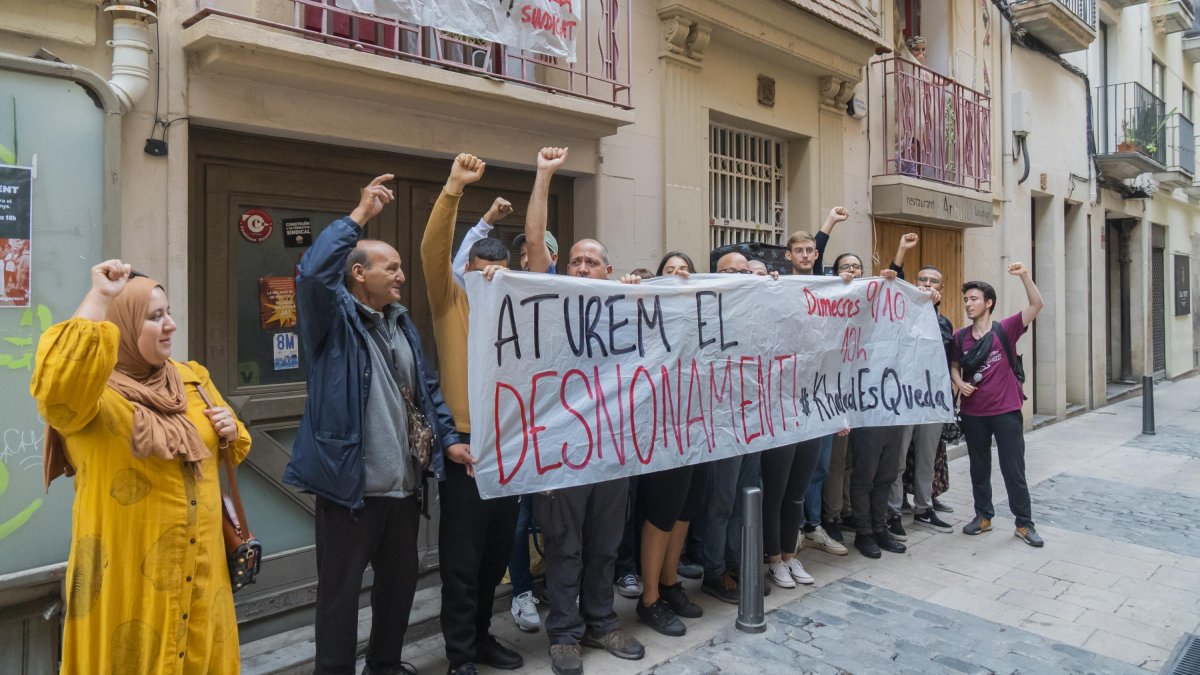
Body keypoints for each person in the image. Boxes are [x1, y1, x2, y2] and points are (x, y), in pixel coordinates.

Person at [283, 174, 464, 675]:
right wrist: (358, 215)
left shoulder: (401, 322)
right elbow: (315, 274)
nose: (402, 276)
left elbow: (426, 392)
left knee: (398, 586)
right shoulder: (330, 324)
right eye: (393, 267)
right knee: (339, 596)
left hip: (403, 493)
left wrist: (447, 441)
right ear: (358, 273)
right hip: (351, 494)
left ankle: (384, 664)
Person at [33, 260, 251, 673]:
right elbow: (58, 384)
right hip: (126, 584)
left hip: (204, 576)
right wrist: (100, 296)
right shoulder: (90, 399)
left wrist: (229, 428)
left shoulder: (192, 378)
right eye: (155, 317)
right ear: (123, 326)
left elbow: (233, 447)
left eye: (168, 313)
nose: (170, 325)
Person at [424, 151, 570, 674]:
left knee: (493, 560)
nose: (495, 285)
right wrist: (454, 189)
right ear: (468, 273)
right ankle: (460, 653)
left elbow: (536, 247)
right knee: (462, 562)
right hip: (466, 448)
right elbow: (433, 249)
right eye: (485, 276)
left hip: (510, 448)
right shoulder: (451, 303)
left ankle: (483, 636)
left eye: (502, 277)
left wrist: (544, 178)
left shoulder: (522, 311)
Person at [535, 236, 645, 675]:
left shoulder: (626, 310)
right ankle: (564, 633)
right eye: (576, 261)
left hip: (612, 450)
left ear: (607, 270)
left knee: (604, 545)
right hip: (562, 452)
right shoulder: (546, 311)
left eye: (592, 262)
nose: (582, 268)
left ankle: (601, 622)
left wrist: (638, 294)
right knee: (564, 545)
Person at [631, 251, 708, 637]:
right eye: (669, 271)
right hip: (663, 433)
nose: (678, 276)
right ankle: (648, 599)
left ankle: (669, 582)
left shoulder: (706, 315)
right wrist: (630, 292)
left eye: (684, 271)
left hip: (701, 430)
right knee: (661, 513)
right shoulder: (645, 313)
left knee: (684, 511)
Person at [951, 263, 1045, 547]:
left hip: (1006, 410)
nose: (968, 303)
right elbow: (954, 365)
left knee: (1013, 468)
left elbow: (1037, 304)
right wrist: (959, 382)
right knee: (979, 467)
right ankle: (983, 516)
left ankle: (1024, 524)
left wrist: (1025, 276)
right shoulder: (960, 337)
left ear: (988, 303)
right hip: (973, 413)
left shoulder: (1007, 328)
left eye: (974, 298)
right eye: (966, 299)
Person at [831, 253, 908, 559]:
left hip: (894, 406)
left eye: (856, 265)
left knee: (887, 473)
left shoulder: (891, 314)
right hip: (865, 407)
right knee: (864, 474)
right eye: (846, 267)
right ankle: (864, 532)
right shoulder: (849, 312)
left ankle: (880, 528)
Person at [893, 263, 956, 534]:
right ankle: (893, 511)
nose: (927, 284)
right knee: (897, 459)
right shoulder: (899, 315)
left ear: (941, 289)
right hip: (904, 398)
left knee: (926, 457)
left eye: (933, 281)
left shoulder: (942, 321)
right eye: (922, 280)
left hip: (931, 398)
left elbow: (939, 349)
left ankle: (924, 507)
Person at [450, 197, 514, 287]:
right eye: (480, 274)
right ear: (466, 269)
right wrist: (489, 217)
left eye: (495, 274)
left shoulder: (514, 293)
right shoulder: (458, 294)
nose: (489, 277)